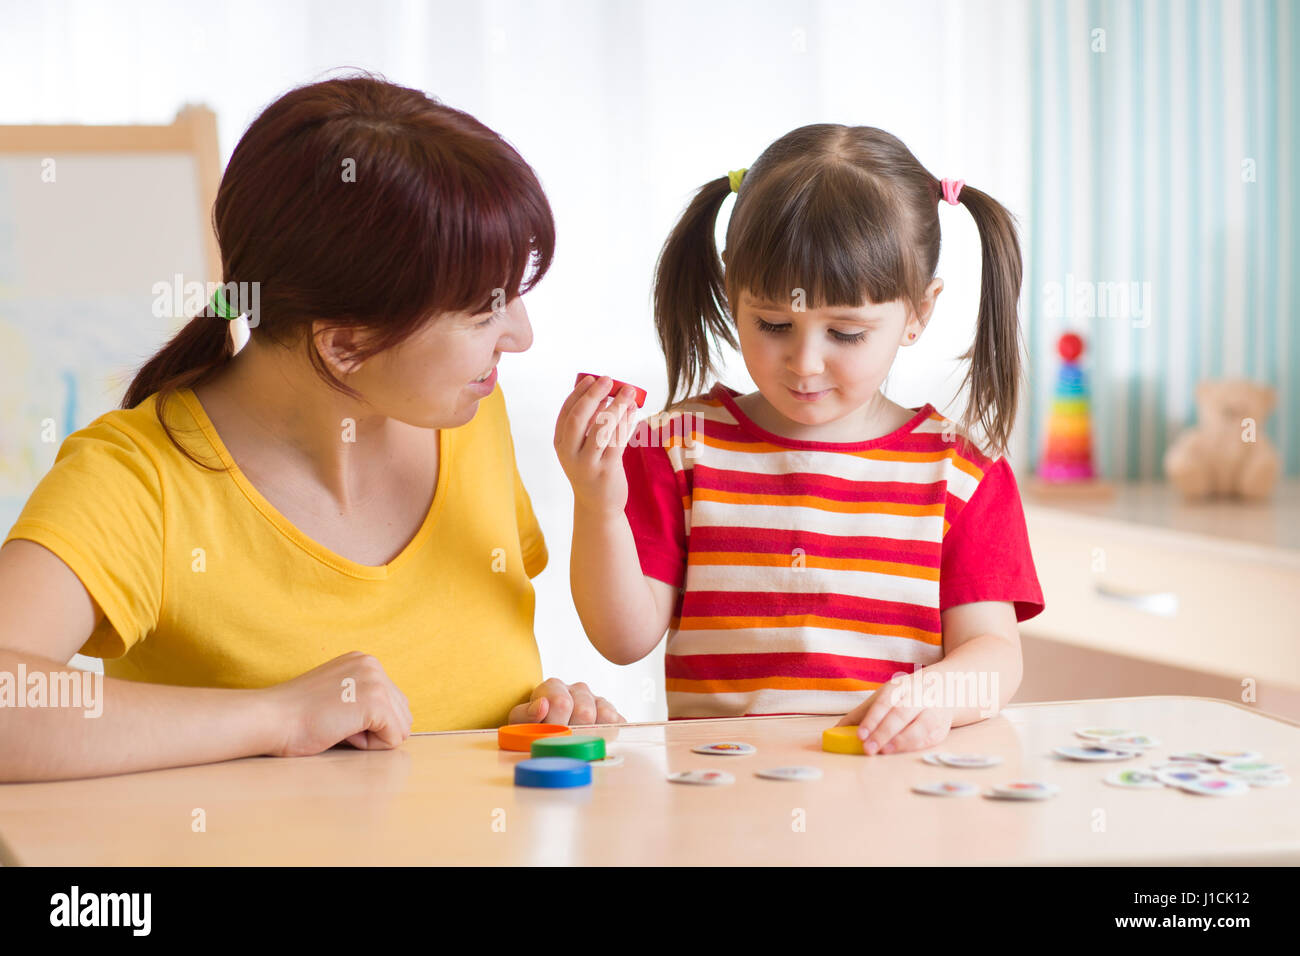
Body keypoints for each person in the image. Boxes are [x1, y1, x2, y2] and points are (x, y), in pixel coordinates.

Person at [0, 74, 623, 784]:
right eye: (484, 311)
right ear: (344, 345)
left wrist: (539, 719)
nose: (522, 336)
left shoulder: (473, 417)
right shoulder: (142, 478)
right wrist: (276, 718)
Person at [556, 124, 1044, 755]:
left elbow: (996, 654)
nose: (805, 362)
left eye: (845, 333)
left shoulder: (962, 474)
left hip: (890, 805)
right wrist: (596, 504)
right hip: (721, 811)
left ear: (920, 312)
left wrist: (938, 694)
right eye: (774, 323)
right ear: (733, 292)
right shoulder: (676, 449)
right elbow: (622, 639)